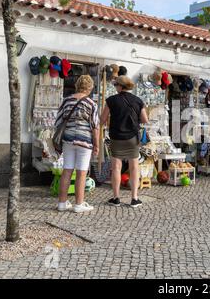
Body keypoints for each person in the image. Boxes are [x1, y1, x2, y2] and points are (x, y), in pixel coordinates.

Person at [100, 76, 149, 208]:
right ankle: (134, 198)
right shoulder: (138, 101)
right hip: (132, 138)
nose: (115, 87)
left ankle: (116, 198)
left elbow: (102, 119)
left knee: (116, 167)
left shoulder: (111, 100)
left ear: (120, 86)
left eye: (116, 84)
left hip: (116, 137)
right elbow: (145, 119)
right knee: (134, 168)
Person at [55, 75, 99, 213]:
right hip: (84, 140)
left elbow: (58, 122)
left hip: (68, 139)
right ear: (90, 88)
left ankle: (62, 203)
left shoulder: (66, 101)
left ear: (76, 85)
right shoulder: (91, 104)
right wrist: (97, 145)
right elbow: (95, 126)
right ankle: (79, 204)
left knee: (67, 170)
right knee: (81, 172)